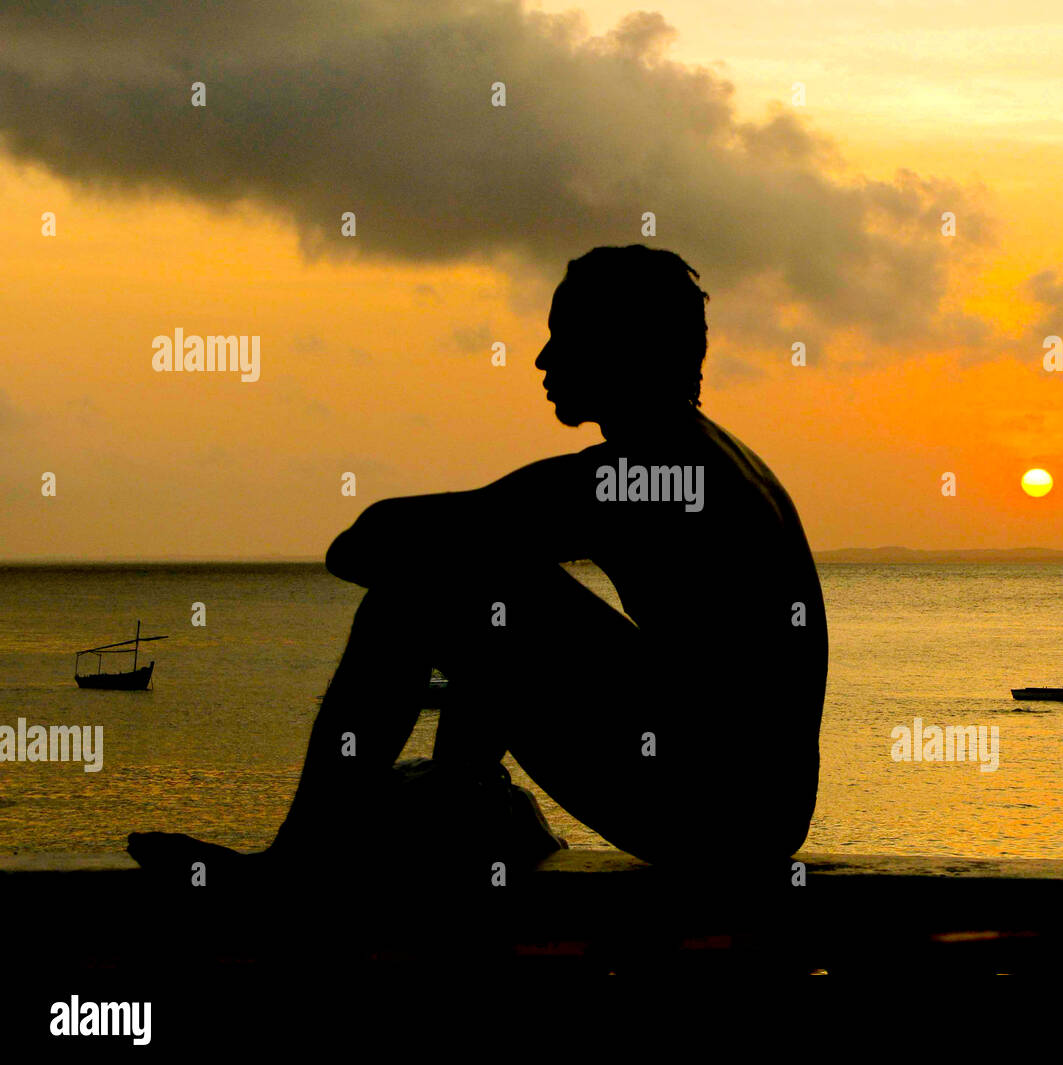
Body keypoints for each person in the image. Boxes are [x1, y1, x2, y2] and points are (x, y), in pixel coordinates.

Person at [128, 244, 827, 878]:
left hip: (716, 816)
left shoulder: (644, 474)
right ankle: (457, 789)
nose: (544, 360)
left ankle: (296, 863)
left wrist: (456, 605)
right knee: (480, 583)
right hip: (751, 809)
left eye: (565, 337)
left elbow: (364, 545)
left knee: (425, 590)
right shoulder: (709, 457)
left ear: (623, 346)